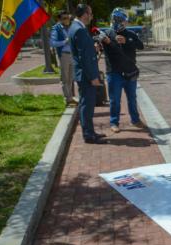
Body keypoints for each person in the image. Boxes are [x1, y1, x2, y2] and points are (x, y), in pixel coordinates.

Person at [101, 8, 145, 134]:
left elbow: (140, 46)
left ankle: (135, 120)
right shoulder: (108, 34)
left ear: (125, 22)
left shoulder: (130, 34)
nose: (119, 22)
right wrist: (99, 44)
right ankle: (114, 123)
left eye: (122, 20)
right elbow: (100, 48)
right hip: (114, 73)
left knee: (132, 98)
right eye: (116, 19)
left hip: (130, 72)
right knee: (115, 99)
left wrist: (127, 41)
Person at [69, 4, 106, 144]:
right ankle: (89, 135)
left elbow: (83, 51)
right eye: (90, 14)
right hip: (86, 75)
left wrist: (93, 47)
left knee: (88, 105)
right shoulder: (79, 30)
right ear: (84, 14)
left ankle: (90, 132)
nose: (91, 16)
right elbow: (84, 57)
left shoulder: (77, 27)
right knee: (87, 106)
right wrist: (93, 77)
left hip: (83, 73)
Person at [50, 10, 76, 106]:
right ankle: (68, 99)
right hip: (63, 55)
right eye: (64, 18)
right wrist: (65, 41)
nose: (67, 20)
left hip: (71, 55)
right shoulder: (56, 28)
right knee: (65, 78)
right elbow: (53, 43)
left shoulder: (71, 27)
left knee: (70, 78)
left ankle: (69, 98)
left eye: (67, 18)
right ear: (59, 19)